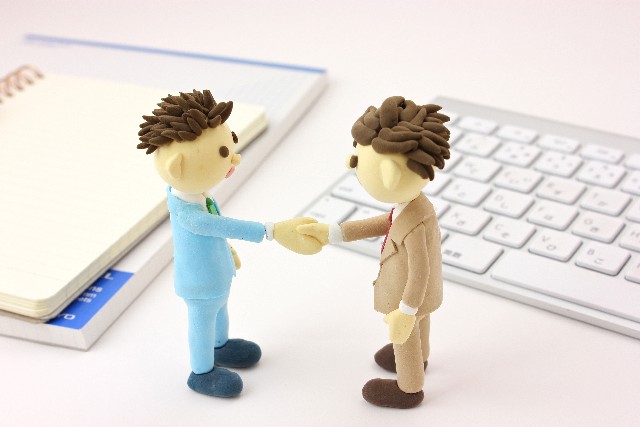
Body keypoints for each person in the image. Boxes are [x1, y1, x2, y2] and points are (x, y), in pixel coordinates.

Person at [137, 89, 321, 398]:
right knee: (202, 322)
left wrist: (228, 252)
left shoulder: (199, 195)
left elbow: (216, 235)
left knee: (221, 313)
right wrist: (272, 230)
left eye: (230, 144)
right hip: (200, 283)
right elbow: (221, 226)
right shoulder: (188, 213)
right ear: (177, 168)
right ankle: (201, 371)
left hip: (217, 275)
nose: (235, 158)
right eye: (224, 153)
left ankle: (220, 347)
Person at [299, 96, 450, 409]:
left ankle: (408, 387)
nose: (350, 163)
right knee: (421, 323)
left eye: (357, 162)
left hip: (410, 295)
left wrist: (405, 311)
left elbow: (419, 270)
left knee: (406, 333)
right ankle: (420, 357)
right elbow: (384, 223)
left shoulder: (416, 219)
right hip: (421, 295)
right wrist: (332, 233)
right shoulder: (415, 205)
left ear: (390, 175)